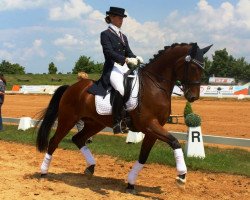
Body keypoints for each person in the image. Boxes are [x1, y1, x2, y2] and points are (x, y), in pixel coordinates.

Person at [88, 6, 143, 134]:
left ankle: (132, 116)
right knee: (121, 88)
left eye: (122, 18)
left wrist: (136, 58)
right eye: (119, 18)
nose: (121, 20)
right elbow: (108, 52)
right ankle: (117, 122)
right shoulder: (105, 34)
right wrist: (126, 60)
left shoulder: (123, 36)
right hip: (113, 67)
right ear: (111, 17)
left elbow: (128, 52)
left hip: (124, 67)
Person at [76, 72, 92, 143]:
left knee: (79, 122)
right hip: (90, 109)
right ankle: (89, 138)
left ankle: (83, 138)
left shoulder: (78, 87)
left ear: (80, 78)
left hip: (81, 108)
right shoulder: (91, 86)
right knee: (88, 123)